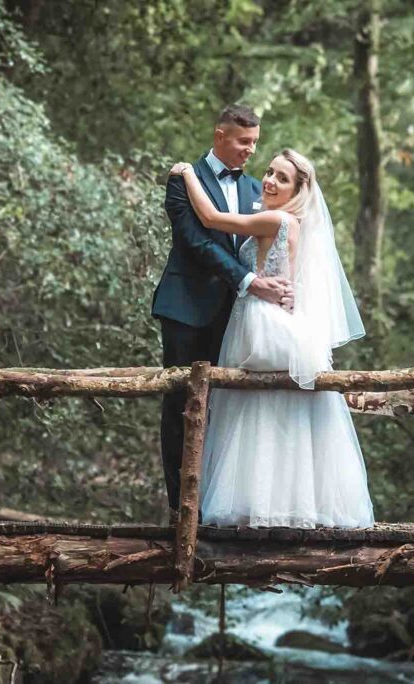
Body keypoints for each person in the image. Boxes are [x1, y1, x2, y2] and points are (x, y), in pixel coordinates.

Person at [168, 149, 374, 528]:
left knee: (258, 407)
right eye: (269, 172)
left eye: (282, 178)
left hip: (260, 318)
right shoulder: (292, 222)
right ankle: (276, 504)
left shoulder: (276, 219)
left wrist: (186, 173)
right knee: (267, 407)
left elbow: (211, 218)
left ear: (298, 190)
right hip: (268, 313)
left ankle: (262, 506)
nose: (269, 181)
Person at [152, 105, 293, 525]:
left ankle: (219, 506)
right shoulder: (184, 180)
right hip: (186, 308)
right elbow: (197, 243)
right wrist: (251, 281)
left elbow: (277, 240)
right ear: (220, 136)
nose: (251, 150)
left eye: (255, 143)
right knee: (180, 403)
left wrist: (286, 287)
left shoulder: (255, 189)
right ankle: (181, 510)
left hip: (237, 316)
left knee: (228, 406)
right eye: (244, 142)